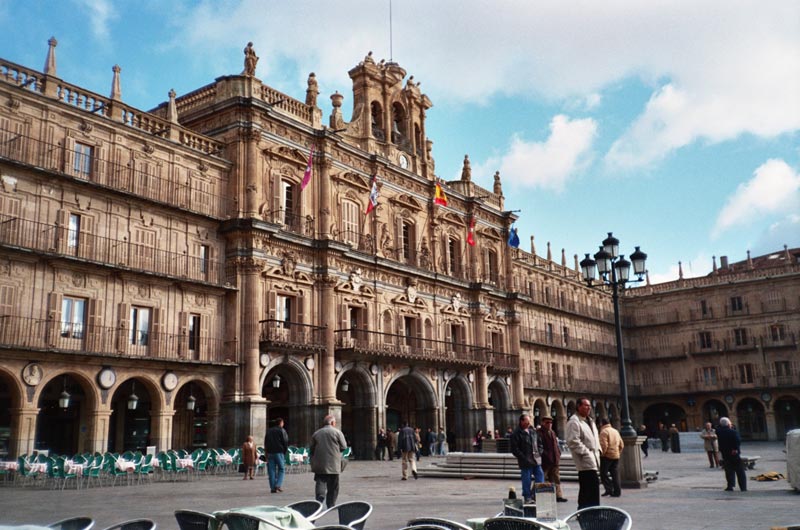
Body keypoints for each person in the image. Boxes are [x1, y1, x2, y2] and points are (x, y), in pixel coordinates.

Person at [566, 397, 601, 510]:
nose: (589, 407)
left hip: (594, 457)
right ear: (578, 406)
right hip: (585, 459)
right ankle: (591, 511)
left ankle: (585, 510)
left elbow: (595, 438)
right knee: (590, 486)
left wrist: (599, 450)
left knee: (589, 487)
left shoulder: (590, 421)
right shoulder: (574, 421)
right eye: (586, 405)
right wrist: (586, 453)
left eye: (589, 405)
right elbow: (573, 441)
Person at [310, 415, 348, 507]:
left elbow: (311, 448)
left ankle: (319, 499)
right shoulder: (337, 432)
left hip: (320, 463)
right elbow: (344, 447)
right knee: (333, 485)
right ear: (332, 423)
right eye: (335, 422)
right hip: (334, 463)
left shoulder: (316, 433)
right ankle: (331, 504)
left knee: (320, 481)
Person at [510, 413, 544, 503]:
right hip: (525, 460)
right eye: (527, 421)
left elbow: (540, 443)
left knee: (540, 477)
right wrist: (523, 457)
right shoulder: (516, 433)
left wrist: (539, 452)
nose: (529, 423)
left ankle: (538, 494)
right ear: (521, 421)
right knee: (526, 480)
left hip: (536, 459)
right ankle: (527, 497)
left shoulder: (533, 431)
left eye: (529, 421)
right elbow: (514, 449)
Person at [538, 415, 567, 502]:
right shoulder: (539, 433)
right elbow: (539, 447)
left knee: (556, 479)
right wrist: (544, 455)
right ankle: (535, 495)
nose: (549, 424)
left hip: (555, 460)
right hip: (545, 461)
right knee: (541, 478)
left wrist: (558, 453)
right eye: (547, 422)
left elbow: (555, 445)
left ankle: (558, 496)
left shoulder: (552, 432)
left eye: (551, 422)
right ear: (543, 423)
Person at [717, 417, 746, 492]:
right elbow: (738, 441)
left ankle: (730, 486)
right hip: (734, 454)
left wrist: (725, 425)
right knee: (740, 471)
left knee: (729, 471)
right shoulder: (733, 432)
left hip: (725, 454)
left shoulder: (719, 431)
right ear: (729, 424)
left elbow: (718, 427)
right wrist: (735, 449)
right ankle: (743, 487)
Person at [599, 418, 624, 497]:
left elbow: (604, 445)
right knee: (615, 474)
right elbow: (621, 445)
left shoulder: (604, 432)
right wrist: (618, 452)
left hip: (607, 456)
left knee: (603, 474)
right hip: (616, 456)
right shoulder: (615, 431)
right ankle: (617, 492)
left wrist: (602, 454)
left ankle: (609, 489)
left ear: (602, 423)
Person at [265, 417, 289, 493]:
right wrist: (284, 451)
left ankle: (272, 488)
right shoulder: (282, 430)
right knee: (281, 469)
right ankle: (278, 484)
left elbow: (265, 442)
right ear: (281, 423)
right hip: (279, 452)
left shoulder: (268, 431)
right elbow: (285, 441)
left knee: (271, 470)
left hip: (270, 452)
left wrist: (266, 453)